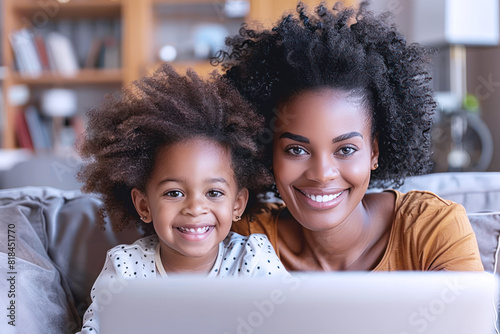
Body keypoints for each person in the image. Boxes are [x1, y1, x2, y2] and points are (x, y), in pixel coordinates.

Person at [215, 2, 484, 272]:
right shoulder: (240, 240)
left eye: (345, 149)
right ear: (268, 153)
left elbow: (469, 315)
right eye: (297, 150)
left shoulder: (433, 230)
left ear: (374, 151)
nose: (322, 174)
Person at [76, 63, 290, 333]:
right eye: (174, 193)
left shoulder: (253, 258)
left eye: (213, 193)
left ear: (237, 204)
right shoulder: (126, 269)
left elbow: (289, 322)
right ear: (144, 205)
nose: (195, 208)